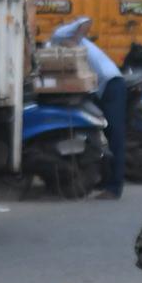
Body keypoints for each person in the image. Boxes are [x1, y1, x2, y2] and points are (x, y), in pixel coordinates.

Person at [51, 17, 125, 200]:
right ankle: (103, 180)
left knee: (115, 136)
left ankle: (115, 187)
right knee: (102, 135)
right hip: (101, 88)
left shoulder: (61, 36)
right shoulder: (70, 44)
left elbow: (86, 20)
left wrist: (75, 36)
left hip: (112, 85)